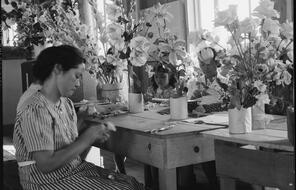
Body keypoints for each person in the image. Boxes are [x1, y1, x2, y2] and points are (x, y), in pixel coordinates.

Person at [13, 45, 145, 190]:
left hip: (72, 170)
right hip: (46, 181)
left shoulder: (66, 103)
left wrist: (82, 121)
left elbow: (61, 142)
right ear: (57, 69)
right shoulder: (35, 108)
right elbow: (45, 164)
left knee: (131, 183)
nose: (78, 83)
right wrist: (86, 138)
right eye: (76, 76)